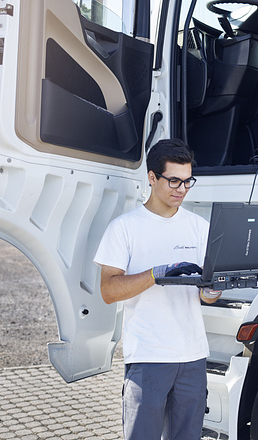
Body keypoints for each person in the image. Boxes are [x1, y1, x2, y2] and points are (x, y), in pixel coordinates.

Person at [93, 138, 221, 440]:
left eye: (187, 181)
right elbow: (108, 291)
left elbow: (205, 297)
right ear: (152, 177)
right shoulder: (124, 228)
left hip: (192, 356)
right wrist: (155, 274)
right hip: (148, 356)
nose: (182, 189)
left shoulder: (199, 227)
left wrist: (214, 290)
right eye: (173, 181)